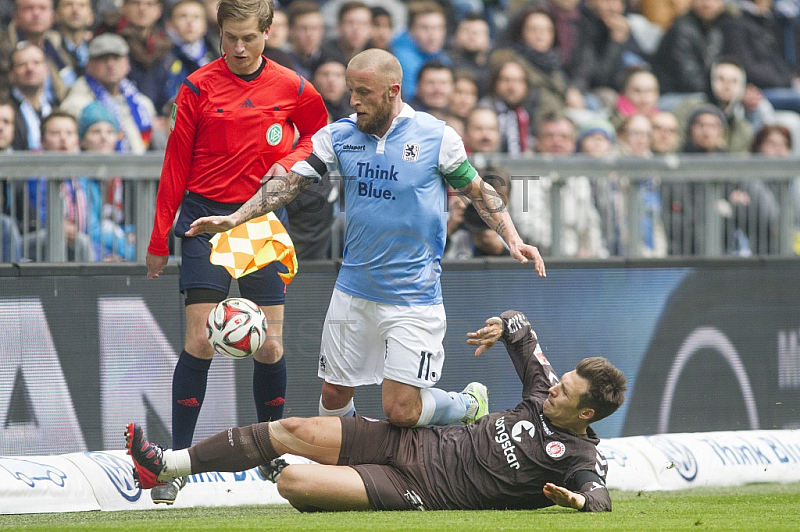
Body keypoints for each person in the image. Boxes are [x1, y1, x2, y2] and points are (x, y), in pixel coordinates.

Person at [185, 49, 546, 433]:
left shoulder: (436, 136)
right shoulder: (340, 135)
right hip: (353, 291)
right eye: (350, 90)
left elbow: (477, 190)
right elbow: (289, 184)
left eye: (363, 92)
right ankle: (351, 473)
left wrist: (512, 237)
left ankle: (468, 403)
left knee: (401, 411)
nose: (353, 100)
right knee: (333, 397)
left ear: (392, 91)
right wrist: (236, 217)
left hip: (414, 297)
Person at [127, 309, 627, 512]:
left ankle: (459, 406)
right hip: (408, 441)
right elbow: (523, 327)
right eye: (561, 382)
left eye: (566, 393)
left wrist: (579, 503)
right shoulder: (544, 390)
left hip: (420, 489)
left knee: (291, 484)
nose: (555, 390)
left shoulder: (581, 457)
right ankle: (167, 465)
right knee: (291, 426)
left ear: (585, 415)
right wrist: (502, 326)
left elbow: (600, 498)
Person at [144, 0, 328, 505]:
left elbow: (320, 134)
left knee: (269, 347)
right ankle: (176, 464)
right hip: (205, 219)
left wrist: (290, 161)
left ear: (267, 31)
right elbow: (175, 165)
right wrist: (160, 239)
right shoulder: (197, 85)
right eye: (230, 38)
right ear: (219, 33)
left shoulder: (292, 86)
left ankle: (269, 450)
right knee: (201, 341)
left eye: (248, 37)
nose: (239, 48)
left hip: (259, 222)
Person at [60, 33, 160, 154]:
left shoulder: (141, 103)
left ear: (127, 64)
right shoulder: (76, 105)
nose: (111, 65)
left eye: (116, 58)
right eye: (103, 59)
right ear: (89, 65)